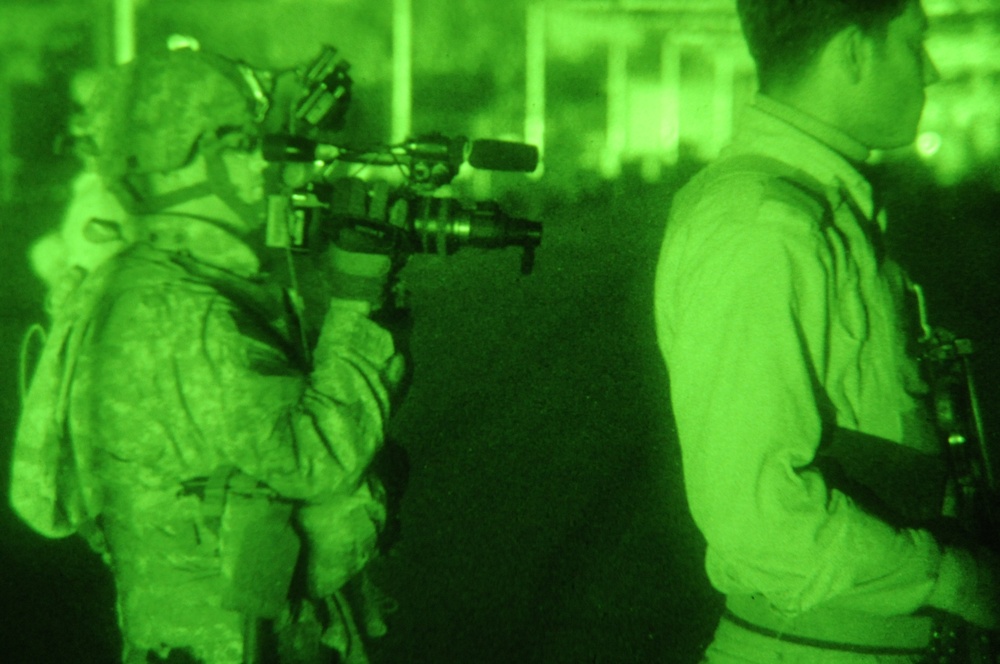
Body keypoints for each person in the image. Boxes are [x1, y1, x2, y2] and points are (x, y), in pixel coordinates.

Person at [10, 45, 402, 664]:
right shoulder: (181, 314)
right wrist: (360, 304)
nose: (258, 168)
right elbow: (315, 459)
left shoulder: (148, 282)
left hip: (212, 637)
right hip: (234, 645)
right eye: (241, 147)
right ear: (180, 164)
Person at [654, 1, 999, 662]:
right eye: (913, 43)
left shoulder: (816, 210)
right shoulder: (762, 224)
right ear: (853, 51)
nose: (930, 71)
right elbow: (757, 517)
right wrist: (957, 578)